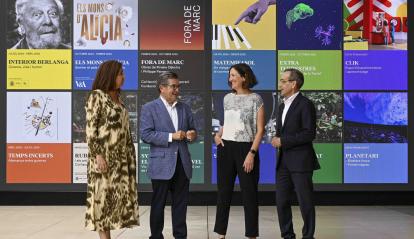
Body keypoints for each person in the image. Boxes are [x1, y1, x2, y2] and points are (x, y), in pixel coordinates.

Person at [85, 60, 139, 239]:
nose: (123, 77)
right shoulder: (97, 96)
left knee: (116, 203)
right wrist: (98, 155)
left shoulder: (118, 98)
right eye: (120, 73)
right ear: (110, 75)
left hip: (122, 161)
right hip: (104, 159)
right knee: (102, 202)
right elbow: (91, 130)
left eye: (122, 73)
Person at [140, 71, 197, 239]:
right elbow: (146, 135)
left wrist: (192, 134)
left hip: (182, 164)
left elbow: (193, 131)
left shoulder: (185, 108)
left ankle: (180, 236)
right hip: (161, 165)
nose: (177, 90)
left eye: (178, 86)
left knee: (181, 205)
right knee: (158, 204)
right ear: (162, 88)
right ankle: (156, 236)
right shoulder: (149, 108)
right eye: (173, 86)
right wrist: (171, 136)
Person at [214, 63, 265, 239]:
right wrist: (218, 135)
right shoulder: (227, 98)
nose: (230, 79)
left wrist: (252, 153)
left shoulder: (256, 99)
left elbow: (260, 130)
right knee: (223, 193)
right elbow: (227, 123)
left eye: (234, 75)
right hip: (225, 147)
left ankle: (251, 235)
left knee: (249, 194)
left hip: (246, 148)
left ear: (244, 77)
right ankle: (220, 234)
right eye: (229, 75)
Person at [271, 68, 320, 239]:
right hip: (283, 161)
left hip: (301, 161)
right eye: (281, 81)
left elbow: (309, 133)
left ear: (294, 84)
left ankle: (308, 236)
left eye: (283, 81)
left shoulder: (305, 104)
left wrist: (283, 141)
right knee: (281, 201)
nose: (280, 85)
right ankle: (287, 235)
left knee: (305, 202)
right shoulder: (282, 106)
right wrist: (277, 139)